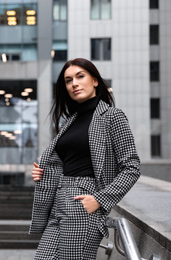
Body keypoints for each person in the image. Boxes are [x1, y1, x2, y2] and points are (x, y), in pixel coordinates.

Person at [29, 58, 141, 260]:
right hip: (58, 202)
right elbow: (69, 162)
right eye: (69, 80)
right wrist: (44, 173)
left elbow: (131, 167)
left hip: (83, 203)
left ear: (95, 81)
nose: (74, 83)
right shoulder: (70, 122)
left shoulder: (112, 117)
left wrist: (100, 199)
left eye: (80, 76)